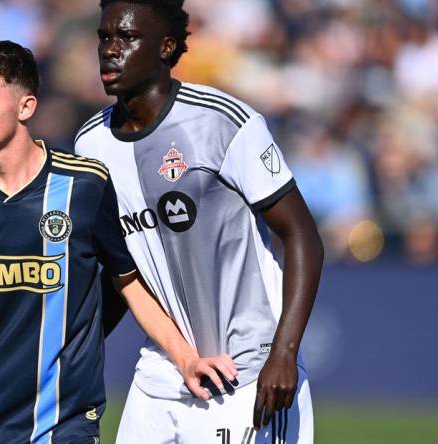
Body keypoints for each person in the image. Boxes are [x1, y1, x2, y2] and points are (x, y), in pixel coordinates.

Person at [0, 40, 235, 444]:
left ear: (26, 107)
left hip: (62, 420)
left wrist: (186, 359)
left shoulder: (84, 184)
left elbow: (128, 282)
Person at [74, 1, 324, 443]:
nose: (110, 50)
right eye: (103, 37)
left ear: (167, 48)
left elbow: (301, 234)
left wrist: (283, 352)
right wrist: (73, 352)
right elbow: (119, 271)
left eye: (127, 38)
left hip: (246, 369)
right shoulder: (90, 145)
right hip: (161, 373)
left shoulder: (221, 122)